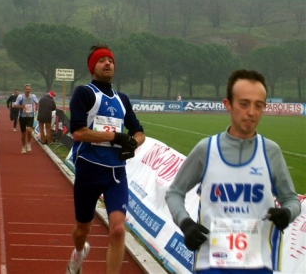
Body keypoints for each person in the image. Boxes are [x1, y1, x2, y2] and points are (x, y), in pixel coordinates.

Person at [165, 69, 301, 274]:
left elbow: (291, 200)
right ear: (228, 104)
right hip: (211, 264)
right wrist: (185, 223)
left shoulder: (270, 151)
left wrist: (287, 213)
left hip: (257, 264)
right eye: (244, 104)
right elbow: (174, 192)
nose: (252, 112)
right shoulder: (206, 149)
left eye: (259, 105)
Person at [66, 44, 146, 274]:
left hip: (116, 173)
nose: (108, 63)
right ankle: (78, 253)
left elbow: (139, 133)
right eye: (102, 60)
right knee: (83, 229)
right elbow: (78, 132)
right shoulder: (85, 93)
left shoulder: (122, 99)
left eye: (110, 60)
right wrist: (115, 136)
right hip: (89, 170)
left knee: (118, 230)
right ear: (93, 67)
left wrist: (132, 144)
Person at [13, 84, 38, 154]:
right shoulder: (20, 97)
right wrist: (21, 107)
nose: (28, 90)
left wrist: (36, 108)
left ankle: (29, 143)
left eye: (29, 89)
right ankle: (23, 146)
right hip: (22, 117)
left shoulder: (33, 96)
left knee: (29, 130)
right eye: (26, 89)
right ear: (24, 90)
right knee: (23, 134)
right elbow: (14, 105)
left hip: (30, 116)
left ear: (30, 90)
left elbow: (37, 102)